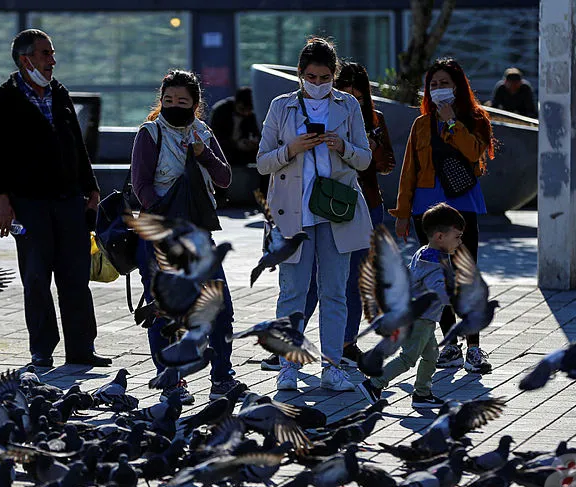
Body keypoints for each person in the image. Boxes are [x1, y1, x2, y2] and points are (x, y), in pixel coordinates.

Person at [0, 29, 110, 368]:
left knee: (75, 276)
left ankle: (82, 348)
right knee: (37, 277)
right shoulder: (2, 99)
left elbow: (77, 145)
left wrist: (92, 188)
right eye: (45, 54)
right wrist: (2, 200)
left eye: (52, 53)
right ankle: (42, 349)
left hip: (69, 199)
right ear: (26, 60)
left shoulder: (58, 93)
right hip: (28, 203)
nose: (52, 61)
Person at [260, 61, 395, 372]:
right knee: (292, 294)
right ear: (300, 75)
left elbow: (364, 160)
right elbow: (263, 162)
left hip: (336, 212)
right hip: (292, 214)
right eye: (310, 77)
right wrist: (290, 149)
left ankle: (332, 368)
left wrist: (343, 146)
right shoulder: (282, 106)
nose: (317, 83)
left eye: (324, 77)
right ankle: (287, 370)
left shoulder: (347, 104)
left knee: (335, 292)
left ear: (333, 76)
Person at [132, 69, 240, 404]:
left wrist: (201, 153)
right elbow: (140, 186)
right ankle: (171, 380)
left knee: (219, 308)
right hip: (163, 237)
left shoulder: (203, 132)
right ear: (160, 101)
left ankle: (222, 377)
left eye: (182, 101)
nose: (174, 105)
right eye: (168, 100)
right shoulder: (150, 133)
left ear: (195, 104)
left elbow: (224, 178)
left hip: (200, 236)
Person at [392, 57, 495, 375]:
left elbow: (477, 154)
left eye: (444, 84)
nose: (438, 89)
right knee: (438, 278)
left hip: (462, 207)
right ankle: (451, 344)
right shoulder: (421, 125)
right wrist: (403, 212)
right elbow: (409, 169)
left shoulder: (474, 118)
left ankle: (474, 348)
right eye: (433, 85)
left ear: (458, 87)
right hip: (427, 210)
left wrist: (452, 123)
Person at [358, 203, 463, 408]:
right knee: (408, 358)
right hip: (420, 320)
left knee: (431, 355)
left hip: (423, 318)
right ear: (440, 237)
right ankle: (374, 384)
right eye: (457, 236)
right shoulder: (436, 264)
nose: (460, 242)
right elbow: (439, 292)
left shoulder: (423, 252)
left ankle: (422, 394)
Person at [209, 87, 260, 166]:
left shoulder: (251, 116)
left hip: (245, 157)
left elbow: (256, 132)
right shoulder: (220, 111)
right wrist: (235, 144)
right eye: (242, 109)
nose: (245, 113)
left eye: (248, 110)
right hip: (223, 154)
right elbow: (215, 137)